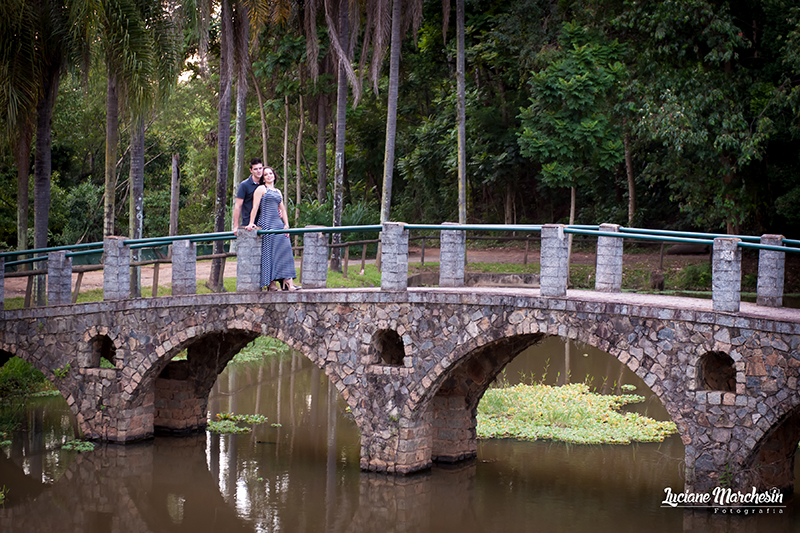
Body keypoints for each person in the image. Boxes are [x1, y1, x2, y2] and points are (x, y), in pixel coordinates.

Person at [245, 167, 298, 291]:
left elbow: (283, 209)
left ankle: (288, 281)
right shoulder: (261, 189)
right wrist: (251, 223)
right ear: (263, 178)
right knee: (269, 253)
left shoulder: (278, 192)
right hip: (266, 223)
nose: (269, 176)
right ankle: (270, 283)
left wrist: (286, 225)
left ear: (274, 175)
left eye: (270, 173)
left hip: (278, 224)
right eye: (265, 174)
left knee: (285, 249)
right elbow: (255, 207)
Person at [232, 158, 264, 235]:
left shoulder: (266, 183)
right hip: (248, 225)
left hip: (264, 223)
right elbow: (237, 206)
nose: (259, 171)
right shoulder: (244, 185)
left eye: (260, 168)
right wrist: (236, 226)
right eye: (255, 169)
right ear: (251, 171)